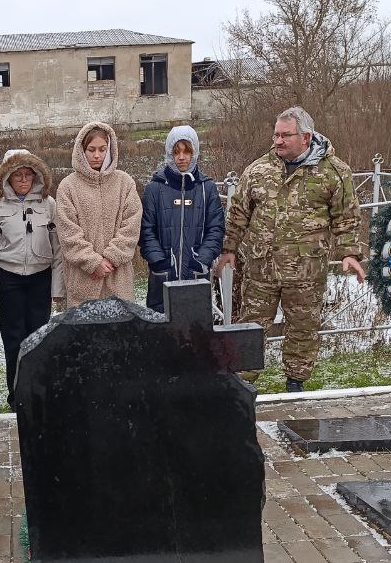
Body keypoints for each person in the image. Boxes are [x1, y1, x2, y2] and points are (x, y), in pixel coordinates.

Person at [221, 106, 365, 393]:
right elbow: (238, 212)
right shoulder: (259, 169)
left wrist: (349, 252)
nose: (278, 141)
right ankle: (240, 386)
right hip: (262, 268)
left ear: (306, 137)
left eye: (286, 135)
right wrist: (229, 249)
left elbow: (346, 216)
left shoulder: (333, 172)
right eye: (276, 134)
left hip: (306, 271)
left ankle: (295, 384)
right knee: (251, 326)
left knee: (302, 329)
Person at [0, 149, 63, 401]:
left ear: (37, 176)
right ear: (7, 178)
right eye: (18, 175)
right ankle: (16, 395)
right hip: (9, 278)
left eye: (28, 174)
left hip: (40, 277)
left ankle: (39, 393)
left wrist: (58, 289)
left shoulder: (48, 204)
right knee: (13, 339)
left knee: (39, 337)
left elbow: (58, 248)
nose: (23, 180)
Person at [55, 121, 142, 308]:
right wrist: (93, 262)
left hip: (118, 280)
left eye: (102, 149)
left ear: (110, 149)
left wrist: (110, 258)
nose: (97, 155)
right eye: (91, 149)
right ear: (81, 150)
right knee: (84, 335)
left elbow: (132, 225)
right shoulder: (68, 187)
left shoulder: (124, 183)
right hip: (83, 282)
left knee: (120, 335)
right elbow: (68, 233)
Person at [139, 125, 225, 313]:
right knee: (161, 331)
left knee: (195, 330)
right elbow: (146, 229)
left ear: (195, 152)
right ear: (169, 153)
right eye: (176, 152)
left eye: (187, 151)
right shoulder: (155, 188)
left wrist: (201, 261)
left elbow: (216, 229)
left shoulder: (206, 188)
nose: (182, 157)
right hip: (162, 276)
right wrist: (159, 262)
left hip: (196, 275)